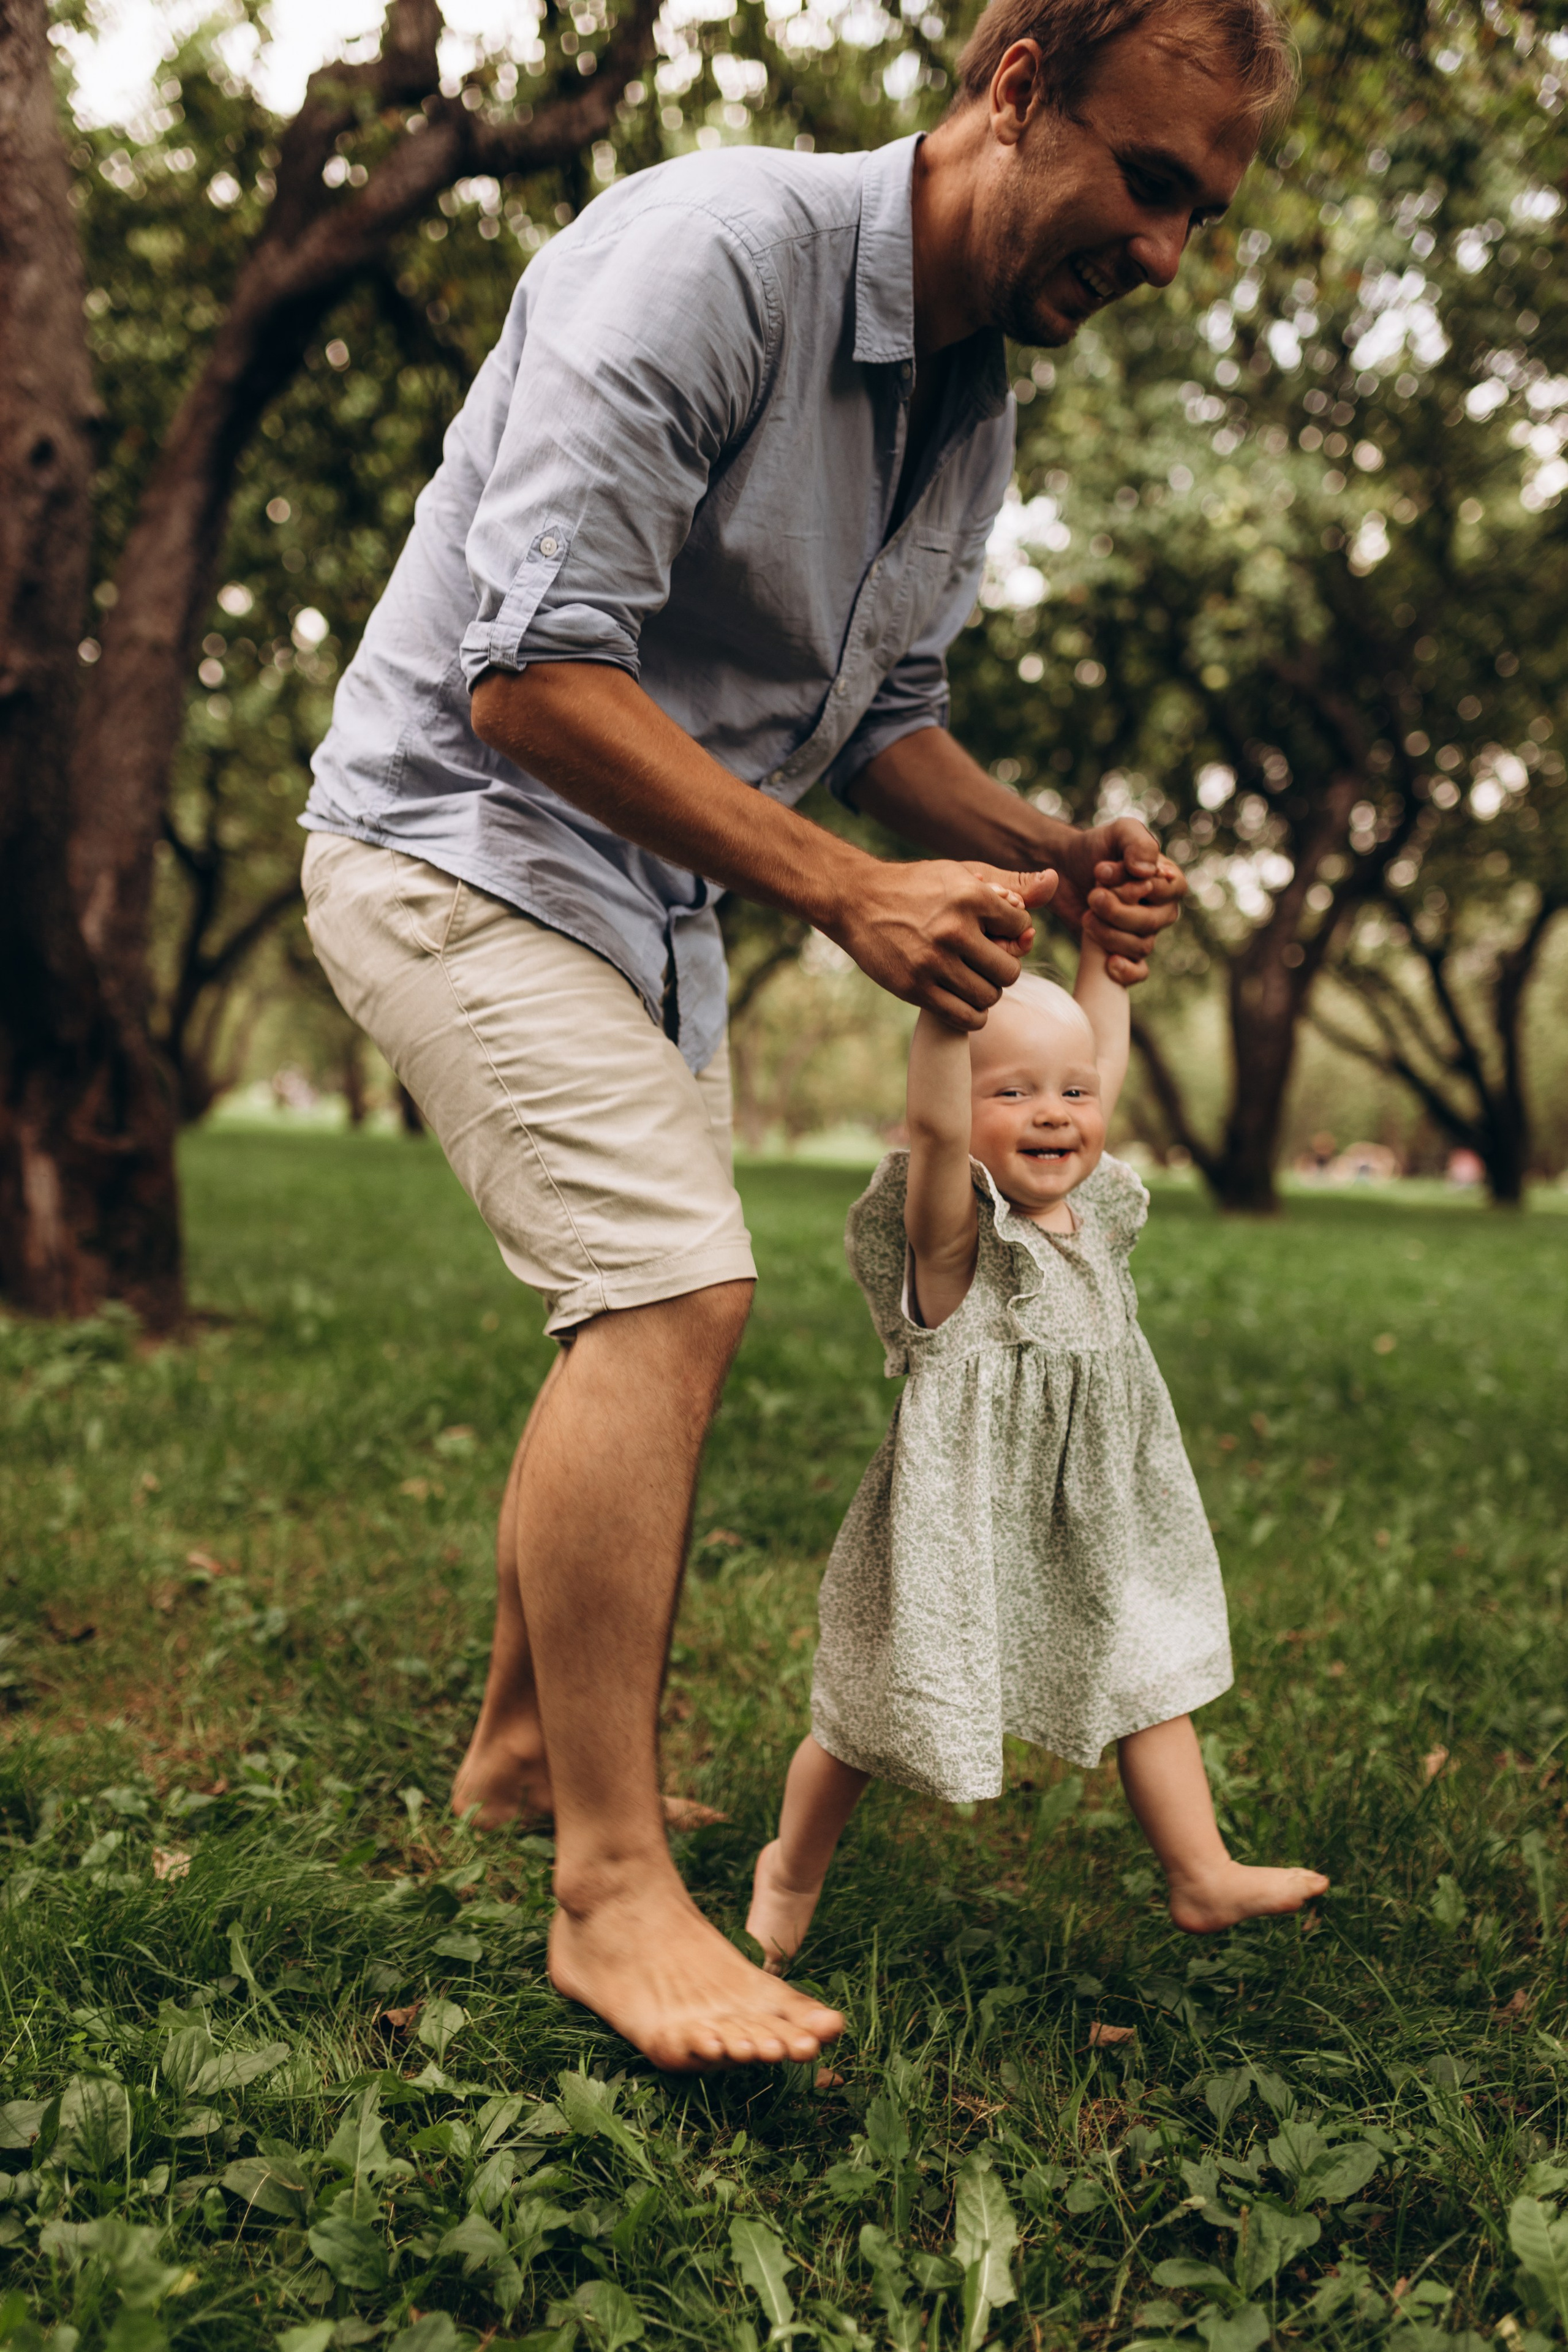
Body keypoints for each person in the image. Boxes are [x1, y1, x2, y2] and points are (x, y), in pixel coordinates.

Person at [299, 0, 1295, 2071]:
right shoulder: (710, 257)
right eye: (1151, 180)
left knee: (639, 1298)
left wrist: (1047, 849)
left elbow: (885, 723)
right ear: (1017, 85)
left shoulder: (973, 399)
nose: (1171, 250)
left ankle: (511, 1755)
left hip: (645, 905)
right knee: (672, 1291)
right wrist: (843, 894)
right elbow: (529, 678)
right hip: (453, 846)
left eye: (1205, 212)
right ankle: (608, 1896)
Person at [747, 885, 1329, 1967]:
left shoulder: (1097, 1212)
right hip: (958, 1530)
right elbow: (929, 1120)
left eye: (1070, 1093)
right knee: (871, 1717)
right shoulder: (954, 1242)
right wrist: (944, 1005)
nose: (1055, 1109)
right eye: (1011, 1091)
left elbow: (1096, 1059)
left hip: (1093, 1515)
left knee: (1147, 1670)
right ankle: (791, 1864)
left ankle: (1199, 1874)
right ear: (963, 1123)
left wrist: (1106, 961)